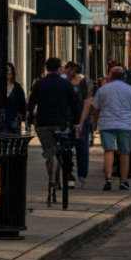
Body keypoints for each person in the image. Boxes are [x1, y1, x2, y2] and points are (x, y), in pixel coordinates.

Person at [28, 58, 82, 186]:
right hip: (61, 122)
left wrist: (30, 119)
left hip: (43, 122)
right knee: (63, 148)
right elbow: (75, 104)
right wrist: (76, 121)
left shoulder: (39, 83)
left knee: (49, 150)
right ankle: (64, 172)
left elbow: (31, 104)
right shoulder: (65, 84)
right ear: (59, 69)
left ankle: (52, 178)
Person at [91, 66, 131, 191]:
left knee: (109, 151)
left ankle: (108, 179)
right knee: (125, 153)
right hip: (125, 125)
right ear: (124, 77)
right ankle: (123, 181)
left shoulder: (103, 90)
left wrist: (94, 124)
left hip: (107, 123)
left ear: (110, 76)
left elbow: (96, 108)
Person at [66, 61, 94, 187]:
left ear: (72, 70)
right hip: (68, 119)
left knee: (82, 147)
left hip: (82, 118)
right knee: (67, 149)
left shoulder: (85, 82)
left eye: (67, 70)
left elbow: (88, 102)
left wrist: (81, 122)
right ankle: (69, 174)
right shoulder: (66, 82)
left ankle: (82, 175)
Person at [0, 61, 27, 134]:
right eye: (6, 73)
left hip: (14, 121)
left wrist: (23, 120)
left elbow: (22, 104)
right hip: (0, 122)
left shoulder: (17, 87)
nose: (8, 75)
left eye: (9, 73)